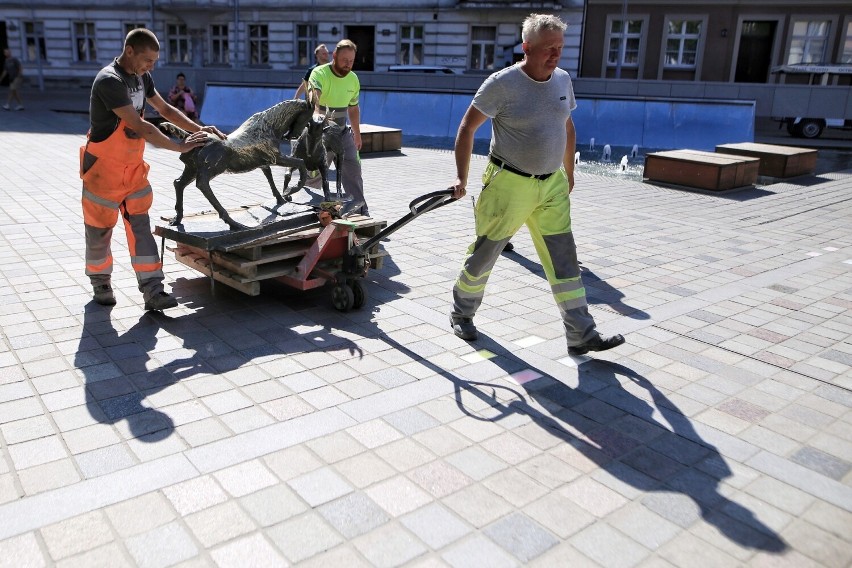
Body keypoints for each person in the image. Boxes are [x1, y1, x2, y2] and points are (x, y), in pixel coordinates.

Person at [448, 13, 624, 356]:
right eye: (548, 48)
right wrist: (461, 178)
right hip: (509, 184)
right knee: (486, 254)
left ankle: (580, 334)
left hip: (552, 185)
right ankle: (461, 313)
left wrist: (568, 172)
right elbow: (467, 128)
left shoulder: (562, 80)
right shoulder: (502, 83)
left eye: (560, 47)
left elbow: (568, 127)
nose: (556, 54)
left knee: (564, 260)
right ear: (527, 47)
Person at [81, 28, 226, 310]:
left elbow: (166, 110)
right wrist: (181, 146)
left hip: (132, 170)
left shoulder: (141, 77)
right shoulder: (109, 81)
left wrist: (199, 129)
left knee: (141, 228)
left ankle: (153, 291)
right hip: (103, 171)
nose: (151, 66)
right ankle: (100, 282)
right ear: (130, 51)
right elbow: (140, 126)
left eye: (154, 61)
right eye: (148, 60)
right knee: (99, 230)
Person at [308, 39, 368, 216]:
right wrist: (318, 113)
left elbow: (354, 108)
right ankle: (304, 205)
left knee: (353, 170)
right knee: (314, 175)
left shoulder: (353, 79)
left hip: (342, 132)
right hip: (320, 132)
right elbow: (314, 97)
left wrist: (357, 135)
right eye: (344, 60)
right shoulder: (319, 73)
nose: (348, 65)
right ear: (334, 56)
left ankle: (360, 210)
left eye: (351, 61)